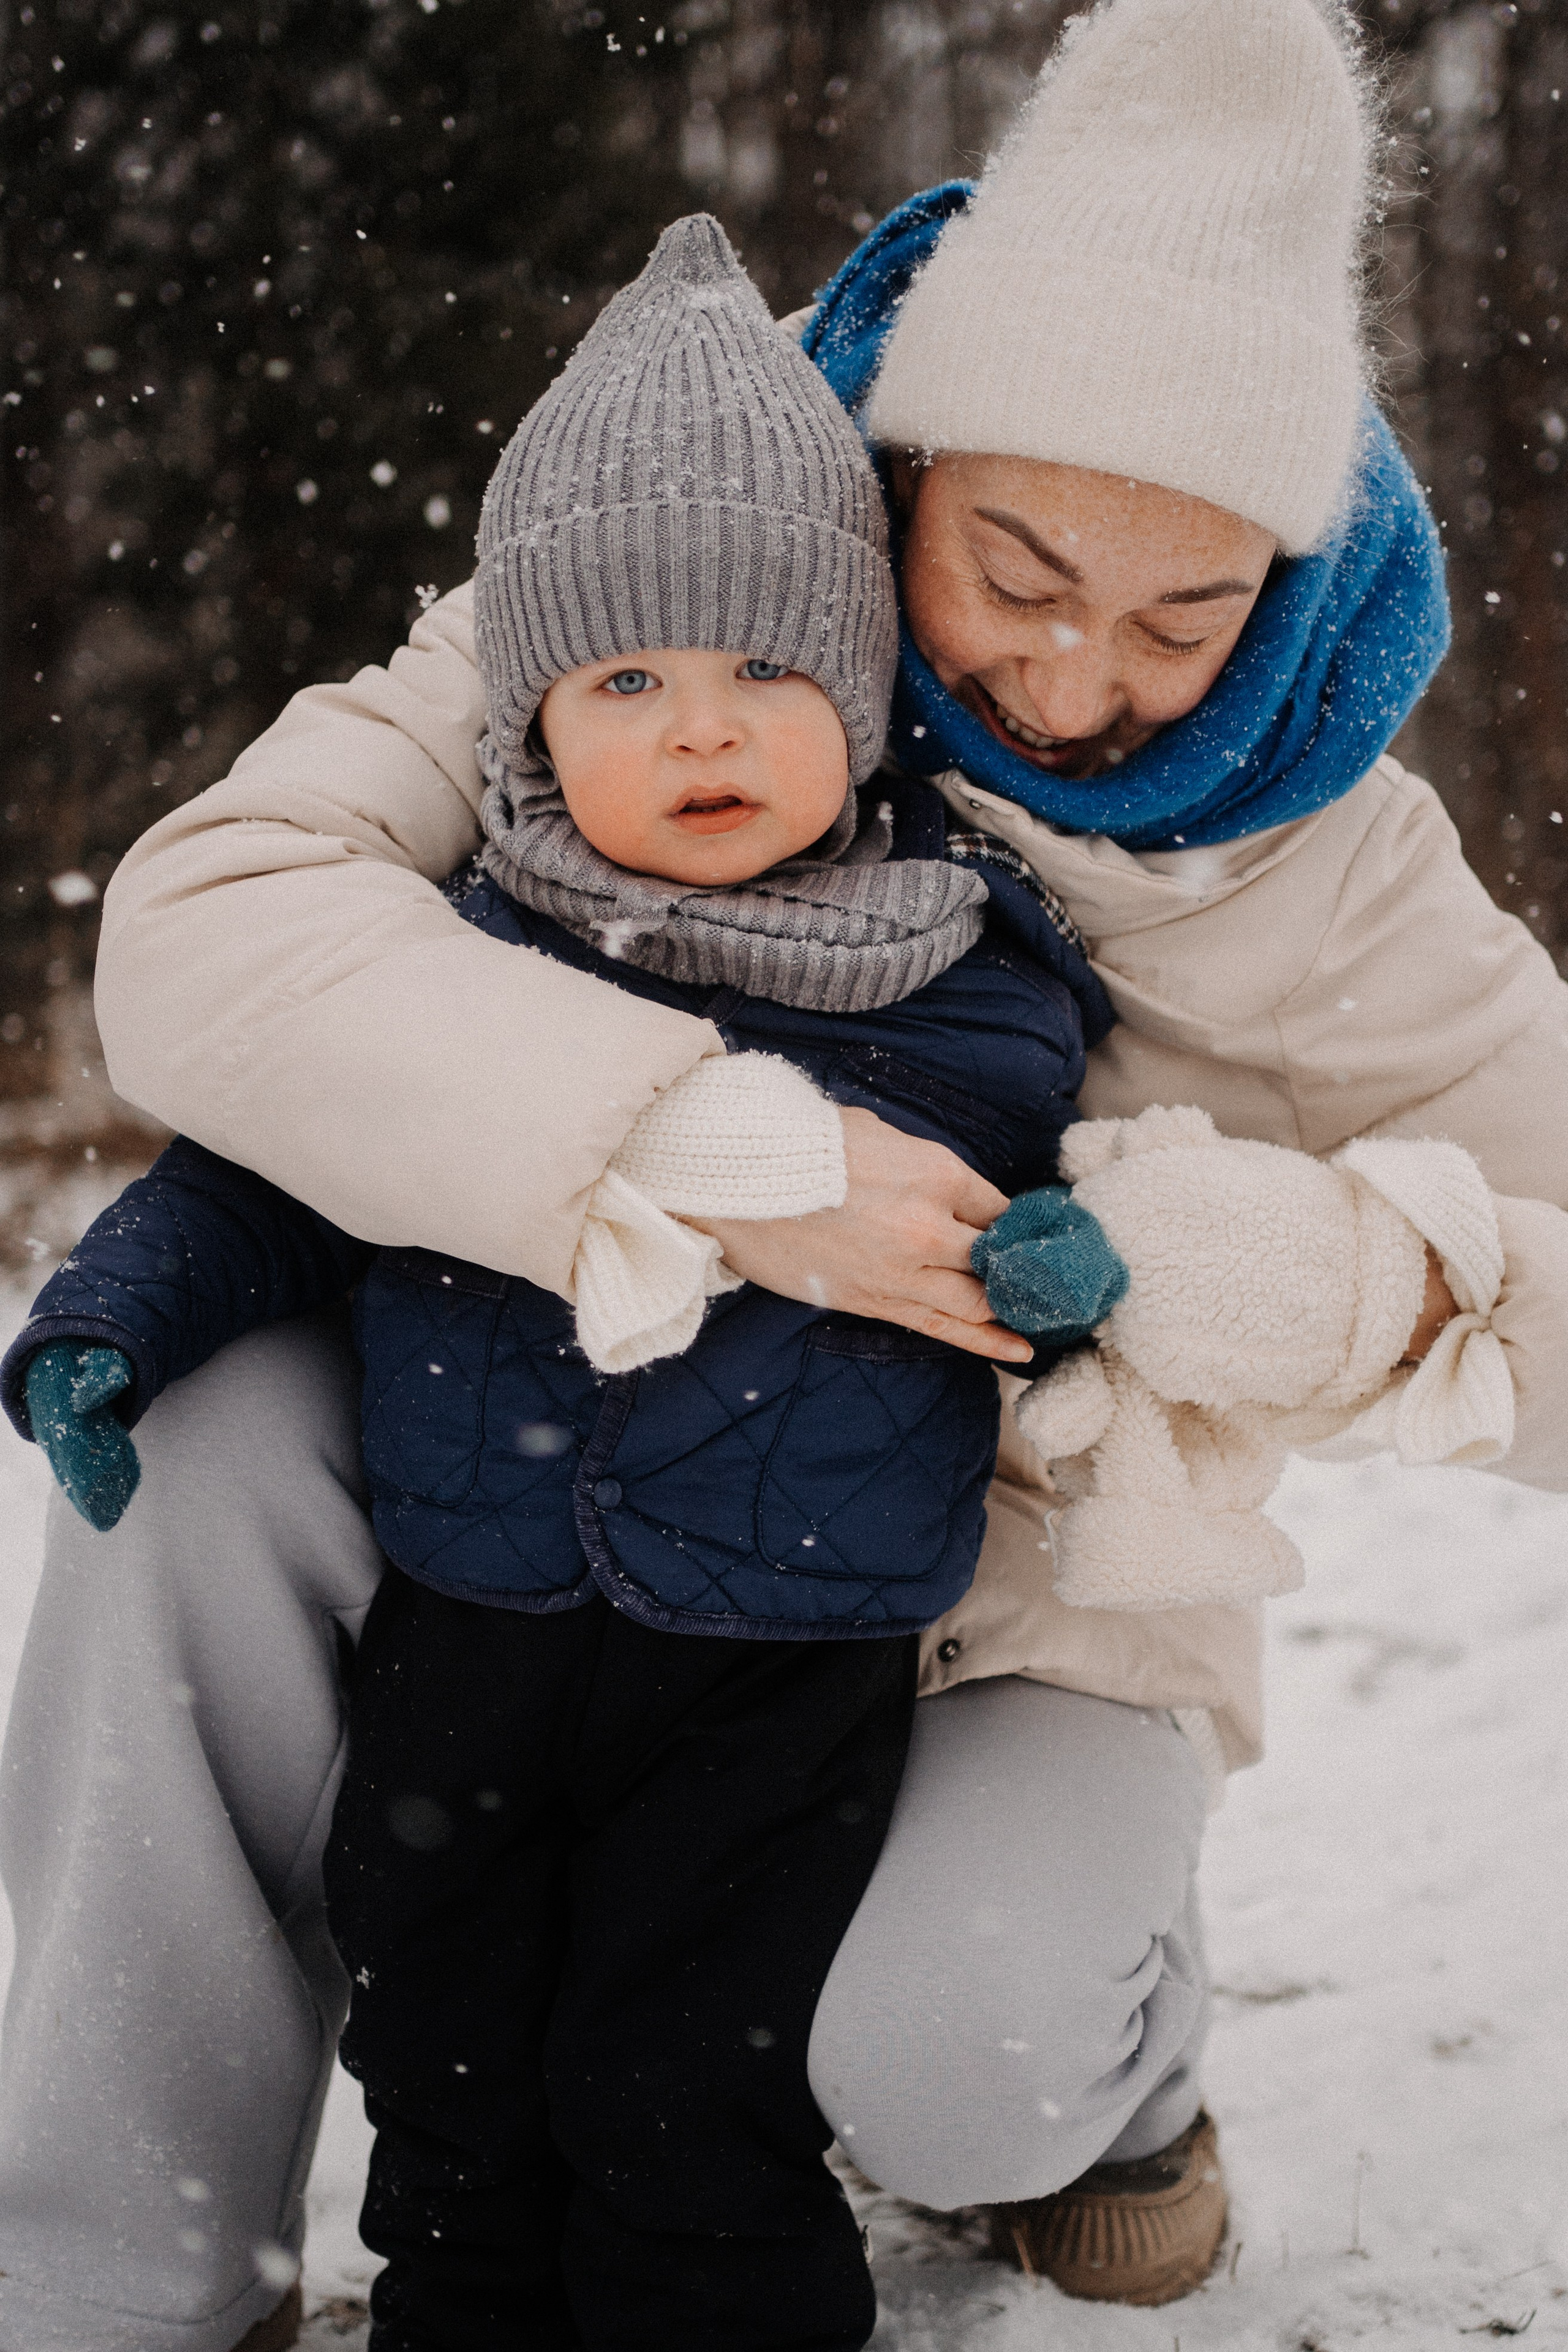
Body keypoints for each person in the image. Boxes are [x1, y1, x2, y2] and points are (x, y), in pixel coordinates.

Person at [4, 1, 1567, 2346]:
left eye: (1181, 617)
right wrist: (703, 1147)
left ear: (1286, 581)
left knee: (958, 2063)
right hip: (545, 1459)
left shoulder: (1337, 865)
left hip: (994, 1591)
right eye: (1015, 565)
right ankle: (124, 2258)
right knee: (203, 1461)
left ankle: (1105, 2067)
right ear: (900, 463)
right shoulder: (681, 589)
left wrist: (1332, 1275)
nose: (1065, 680)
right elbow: (213, 927)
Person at [2, 215, 1123, 2352]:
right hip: (479, 1619)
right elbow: (265, 1178)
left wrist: (1067, 1270)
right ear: (528, 715)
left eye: (767, 676)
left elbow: (1039, 1228)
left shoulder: (968, 980)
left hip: (778, 1659)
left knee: (689, 2080)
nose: (703, 732)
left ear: (866, 699)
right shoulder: (470, 958)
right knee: (449, 2054)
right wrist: (110, 1320)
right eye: (628, 681)